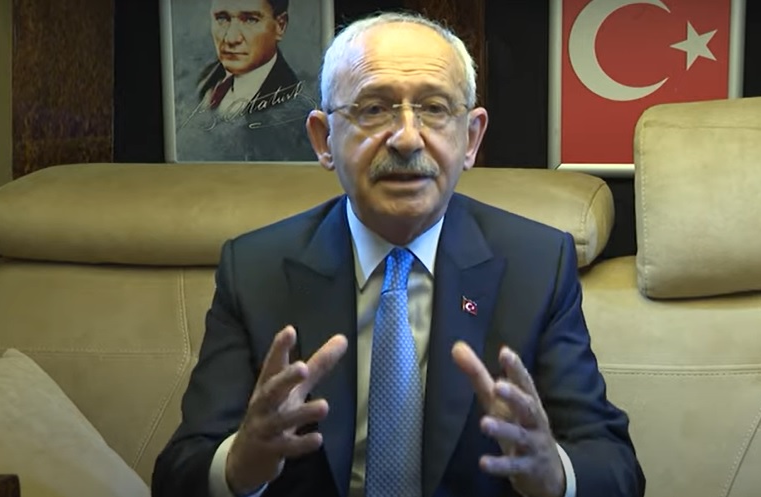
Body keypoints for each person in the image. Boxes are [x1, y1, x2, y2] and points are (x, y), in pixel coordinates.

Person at [153, 10, 645, 497]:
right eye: (373, 109)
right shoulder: (254, 269)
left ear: (471, 138)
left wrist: (552, 474)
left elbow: (614, 467)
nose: (407, 138)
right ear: (323, 140)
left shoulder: (537, 265)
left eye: (434, 108)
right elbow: (180, 472)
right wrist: (240, 466)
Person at [196, 0, 302, 120]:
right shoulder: (206, 79)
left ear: (280, 26)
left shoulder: (293, 107)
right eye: (222, 19)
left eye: (250, 20)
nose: (231, 38)